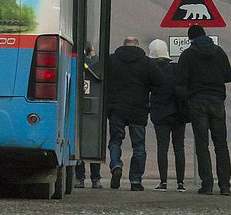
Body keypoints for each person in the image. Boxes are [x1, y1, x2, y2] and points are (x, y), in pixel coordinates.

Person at [174, 24, 231, 195]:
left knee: (202, 144)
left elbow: (180, 81)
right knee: (221, 144)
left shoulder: (187, 55)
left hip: (197, 101)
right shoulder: (219, 52)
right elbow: (228, 76)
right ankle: (225, 186)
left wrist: (188, 96)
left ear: (190, 38)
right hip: (217, 101)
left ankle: (207, 185)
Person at [105, 36, 163, 191]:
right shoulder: (147, 62)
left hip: (116, 108)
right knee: (138, 145)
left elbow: (101, 78)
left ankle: (116, 165)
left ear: (123, 45)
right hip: (138, 109)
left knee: (116, 140)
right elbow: (159, 81)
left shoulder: (111, 60)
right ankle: (136, 180)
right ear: (137, 46)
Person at [148, 39, 189, 192]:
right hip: (178, 114)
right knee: (179, 148)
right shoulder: (176, 68)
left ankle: (163, 182)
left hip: (160, 115)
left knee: (162, 148)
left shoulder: (152, 70)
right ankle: (180, 183)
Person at [75, 43, 103, 188]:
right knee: (93, 143)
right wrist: (93, 56)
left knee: (78, 143)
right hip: (93, 108)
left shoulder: (76, 62)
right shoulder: (96, 63)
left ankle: (79, 178)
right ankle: (95, 179)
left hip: (77, 108)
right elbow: (96, 69)